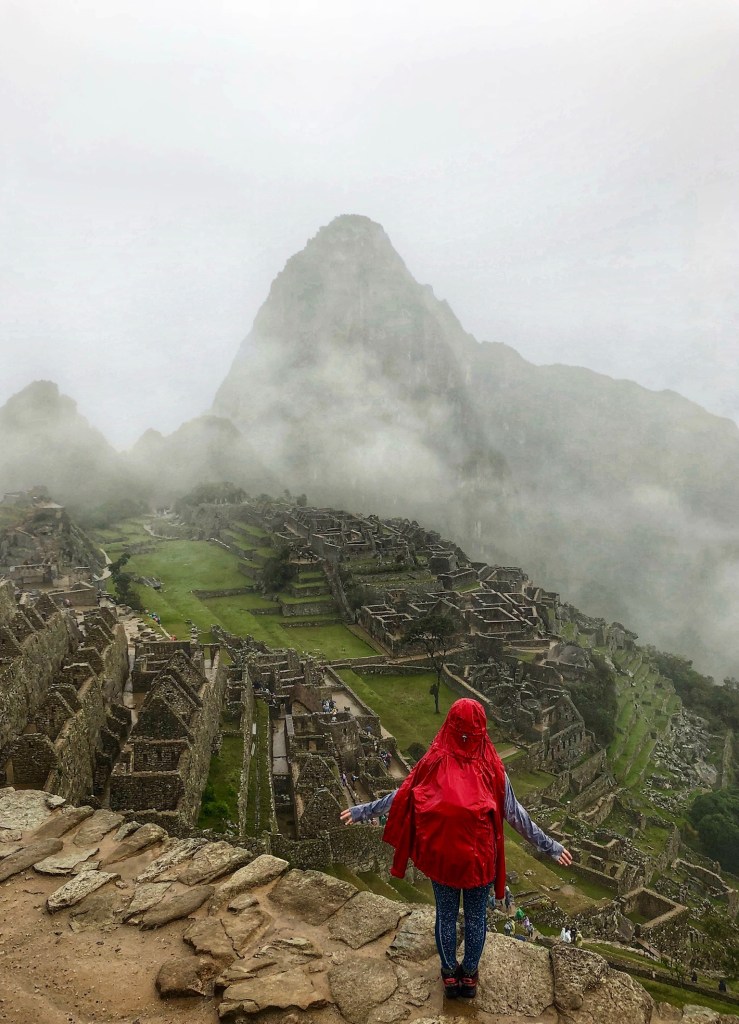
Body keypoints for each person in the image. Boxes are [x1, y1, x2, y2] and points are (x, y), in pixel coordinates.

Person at [340, 699, 572, 1001]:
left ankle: (450, 975)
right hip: (478, 859)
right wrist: (550, 846)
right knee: (476, 919)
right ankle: (469, 976)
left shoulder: (434, 761)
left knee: (446, 916)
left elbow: (403, 794)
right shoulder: (493, 769)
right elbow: (516, 815)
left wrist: (363, 811)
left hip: (443, 856)